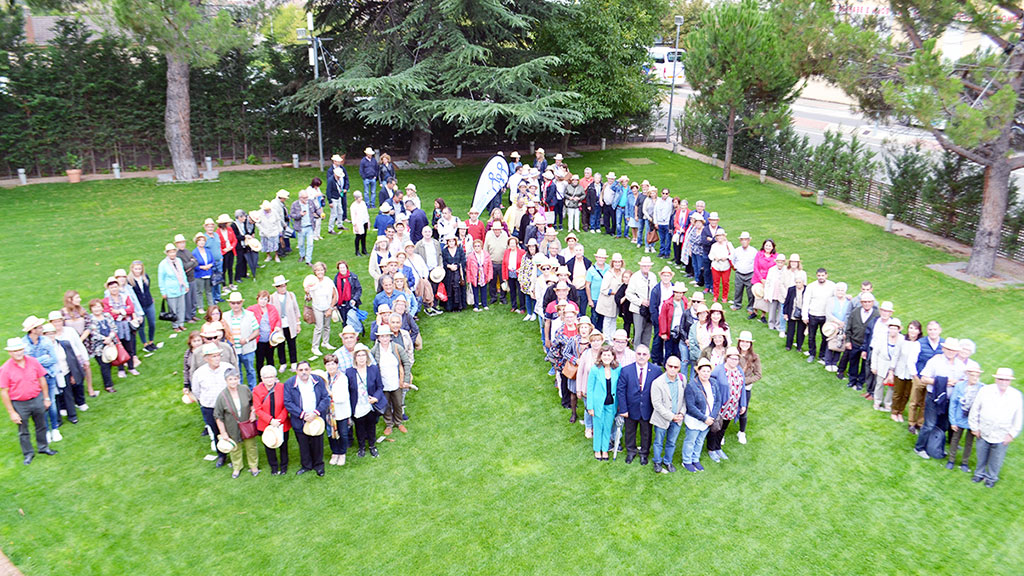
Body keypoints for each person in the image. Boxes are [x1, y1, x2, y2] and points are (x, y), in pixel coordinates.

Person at [1, 338, 57, 465]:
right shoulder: (5, 369)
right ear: (10, 352)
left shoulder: (33, 362)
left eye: (20, 349)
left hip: (37, 398)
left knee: (41, 425)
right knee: (23, 430)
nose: (18, 352)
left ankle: (43, 447)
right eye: (15, 351)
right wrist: (11, 412)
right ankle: (28, 453)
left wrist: (46, 398)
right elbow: (4, 391)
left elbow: (42, 379)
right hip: (20, 404)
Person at [969, 367, 1022, 488]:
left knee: (997, 458)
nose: (1003, 382)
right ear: (996, 379)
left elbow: (1018, 417)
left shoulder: (1016, 395)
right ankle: (979, 473)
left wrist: (1012, 434)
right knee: (981, 454)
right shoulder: (985, 390)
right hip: (983, 430)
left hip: (1002, 434)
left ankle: (991, 477)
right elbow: (975, 409)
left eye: (1006, 380)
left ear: (1010, 381)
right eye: (1001, 379)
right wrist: (974, 427)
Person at [915, 338, 964, 459]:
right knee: (929, 424)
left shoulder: (961, 365)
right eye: (948, 349)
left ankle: (935, 447)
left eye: (953, 350)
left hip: (950, 400)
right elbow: (924, 378)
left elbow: (963, 382)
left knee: (942, 426)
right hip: (934, 398)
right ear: (943, 349)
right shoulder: (935, 361)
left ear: (957, 351)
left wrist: (956, 382)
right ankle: (919, 447)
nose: (950, 352)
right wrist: (943, 382)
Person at [283, 361, 330, 476]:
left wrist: (315, 413)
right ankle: (306, 465)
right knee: (303, 444)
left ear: (310, 370)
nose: (304, 372)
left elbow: (325, 398)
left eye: (306, 369)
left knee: (317, 443)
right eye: (301, 370)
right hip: (300, 419)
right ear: (296, 371)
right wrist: (303, 414)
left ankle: (319, 465)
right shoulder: (290, 383)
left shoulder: (318, 381)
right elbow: (288, 402)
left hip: (316, 418)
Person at [616, 345, 661, 465]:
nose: (641, 357)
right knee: (630, 431)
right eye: (639, 354)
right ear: (635, 355)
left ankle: (644, 454)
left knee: (646, 432)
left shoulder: (656, 371)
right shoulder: (626, 370)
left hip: (648, 408)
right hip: (631, 408)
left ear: (649, 356)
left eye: (644, 354)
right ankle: (631, 451)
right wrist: (623, 409)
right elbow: (621, 390)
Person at [214, 368, 259, 478]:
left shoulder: (244, 389)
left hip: (247, 424)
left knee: (251, 446)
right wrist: (223, 432)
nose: (233, 381)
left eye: (235, 378)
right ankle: (237, 467)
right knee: (235, 448)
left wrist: (253, 412)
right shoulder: (222, 396)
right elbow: (218, 416)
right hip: (231, 427)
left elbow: (253, 402)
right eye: (230, 379)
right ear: (226, 380)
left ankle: (253, 466)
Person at [191, 343, 230, 466]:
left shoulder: (227, 368)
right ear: (206, 358)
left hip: (227, 407)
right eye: (214, 356)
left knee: (231, 430)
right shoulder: (199, 373)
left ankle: (235, 455)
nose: (217, 358)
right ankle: (222, 455)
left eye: (218, 355)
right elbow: (196, 391)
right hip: (209, 407)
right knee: (215, 431)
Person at [371, 325, 412, 436]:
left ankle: (399, 422)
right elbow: (371, 367)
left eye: (386, 336)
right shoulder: (375, 350)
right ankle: (389, 424)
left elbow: (406, 363)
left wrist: (406, 379)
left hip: (397, 382)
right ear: (378, 338)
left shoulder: (397, 348)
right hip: (383, 384)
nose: (384, 339)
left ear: (390, 337)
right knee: (386, 404)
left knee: (398, 403)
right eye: (382, 336)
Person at [707, 346, 747, 462]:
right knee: (715, 428)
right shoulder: (719, 370)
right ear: (726, 358)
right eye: (731, 358)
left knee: (724, 428)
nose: (734, 361)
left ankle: (718, 447)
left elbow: (742, 387)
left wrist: (743, 404)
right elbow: (710, 385)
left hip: (733, 406)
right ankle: (711, 449)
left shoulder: (739, 370)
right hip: (720, 406)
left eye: (736, 359)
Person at [347, 344, 386, 457]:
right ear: (355, 357)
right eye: (358, 355)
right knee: (359, 427)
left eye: (363, 355)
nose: (361, 357)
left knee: (371, 426)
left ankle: (372, 446)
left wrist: (376, 398)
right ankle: (361, 447)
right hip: (358, 404)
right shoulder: (349, 372)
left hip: (370, 405)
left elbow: (380, 386)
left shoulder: (373, 369)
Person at [650, 355, 686, 473]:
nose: (672, 369)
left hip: (678, 418)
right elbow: (657, 404)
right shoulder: (657, 383)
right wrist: (671, 416)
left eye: (676, 367)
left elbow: (685, 399)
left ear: (679, 368)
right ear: (665, 366)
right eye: (670, 366)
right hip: (662, 419)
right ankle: (657, 461)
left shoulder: (682, 380)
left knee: (672, 442)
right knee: (658, 442)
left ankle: (668, 461)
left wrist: (681, 413)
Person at [681, 358, 718, 472]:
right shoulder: (691, 385)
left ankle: (695, 459)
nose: (706, 373)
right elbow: (691, 407)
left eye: (708, 371)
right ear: (698, 371)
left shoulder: (714, 383)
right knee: (690, 441)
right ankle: (686, 461)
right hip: (695, 420)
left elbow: (718, 401)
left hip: (709, 419)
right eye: (703, 371)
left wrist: (712, 416)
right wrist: (704, 418)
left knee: (700, 440)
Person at [947, 360, 982, 473]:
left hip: (972, 420)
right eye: (972, 375)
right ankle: (951, 460)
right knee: (955, 439)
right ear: (967, 375)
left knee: (969, 442)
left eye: (977, 376)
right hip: (959, 418)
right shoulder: (959, 386)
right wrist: (953, 421)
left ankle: (964, 462)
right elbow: (953, 403)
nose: (975, 378)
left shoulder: (982, 388)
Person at [586, 345, 620, 460]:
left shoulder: (617, 370)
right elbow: (589, 389)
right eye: (604, 355)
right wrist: (590, 406)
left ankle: (605, 449)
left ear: (613, 357)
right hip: (598, 405)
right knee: (598, 427)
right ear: (600, 356)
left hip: (611, 404)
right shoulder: (595, 369)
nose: (606, 357)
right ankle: (597, 449)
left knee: (607, 427)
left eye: (609, 355)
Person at [253, 366, 289, 474]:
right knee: (269, 445)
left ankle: (284, 466)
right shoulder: (257, 390)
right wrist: (270, 421)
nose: (269, 380)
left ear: (275, 377)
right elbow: (257, 409)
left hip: (281, 423)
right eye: (266, 377)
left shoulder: (282, 387)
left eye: (271, 377)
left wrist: (279, 420)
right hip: (266, 424)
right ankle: (273, 467)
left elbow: (287, 405)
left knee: (283, 445)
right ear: (262, 378)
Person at [102, 276, 139, 378]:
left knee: (129, 346)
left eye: (115, 286)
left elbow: (131, 309)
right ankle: (121, 369)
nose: (114, 289)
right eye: (111, 287)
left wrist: (119, 311)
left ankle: (131, 367)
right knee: (118, 346)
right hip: (115, 326)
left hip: (126, 325)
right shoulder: (105, 301)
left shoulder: (125, 297)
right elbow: (108, 313)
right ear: (108, 289)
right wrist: (124, 311)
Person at [321, 354, 352, 466]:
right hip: (328, 412)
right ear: (325, 366)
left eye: (333, 364)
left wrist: (329, 393)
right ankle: (335, 452)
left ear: (337, 365)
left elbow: (342, 397)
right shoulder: (323, 377)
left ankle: (342, 453)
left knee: (343, 433)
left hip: (341, 410)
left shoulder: (343, 378)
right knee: (330, 433)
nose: (330, 367)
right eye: (328, 364)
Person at [869, 318, 905, 414]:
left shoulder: (902, 339)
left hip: (895, 366)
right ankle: (877, 401)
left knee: (892, 386)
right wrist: (874, 366)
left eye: (895, 328)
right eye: (891, 328)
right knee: (879, 383)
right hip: (882, 364)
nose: (893, 330)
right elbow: (875, 352)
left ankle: (888, 403)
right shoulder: (882, 337)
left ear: (898, 329)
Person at [225, 292, 259, 390]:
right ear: (230, 304)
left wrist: (247, 340)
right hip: (233, 351)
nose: (236, 305)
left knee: (250, 371)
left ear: (242, 303)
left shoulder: (249, 315)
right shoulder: (225, 316)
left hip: (247, 349)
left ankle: (253, 391)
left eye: (238, 303)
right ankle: (239, 391)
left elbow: (256, 331)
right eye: (233, 303)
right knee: (236, 373)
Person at [802, 268, 836, 364]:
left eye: (823, 275)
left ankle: (822, 354)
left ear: (826, 275)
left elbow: (837, 298)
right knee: (811, 336)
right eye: (819, 275)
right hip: (813, 314)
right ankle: (812, 353)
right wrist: (805, 315)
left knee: (825, 336)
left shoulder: (832, 286)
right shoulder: (811, 286)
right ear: (817, 276)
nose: (821, 277)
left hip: (826, 316)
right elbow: (806, 301)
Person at [84, 299, 118, 393]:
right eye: (94, 307)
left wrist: (110, 338)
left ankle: (108, 381)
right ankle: (108, 385)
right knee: (104, 364)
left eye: (99, 306)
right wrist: (105, 339)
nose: (97, 309)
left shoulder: (107, 315)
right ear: (91, 309)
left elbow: (114, 327)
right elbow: (92, 333)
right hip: (98, 347)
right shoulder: (90, 319)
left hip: (111, 343)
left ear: (102, 307)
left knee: (109, 363)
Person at [306, 262, 338, 357]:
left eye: (321, 270)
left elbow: (334, 295)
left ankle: (325, 342)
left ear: (324, 270)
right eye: (317, 270)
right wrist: (307, 293)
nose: (320, 272)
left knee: (327, 326)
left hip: (327, 306)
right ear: (315, 272)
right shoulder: (312, 282)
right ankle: (315, 347)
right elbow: (308, 298)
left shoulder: (328, 281)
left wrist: (331, 308)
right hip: (317, 307)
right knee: (319, 327)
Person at [126, 260, 158, 353]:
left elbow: (147, 289)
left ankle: (151, 341)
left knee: (152, 323)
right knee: (141, 326)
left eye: (139, 269)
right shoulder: (130, 281)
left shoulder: (145, 277)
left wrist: (150, 298)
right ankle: (145, 344)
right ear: (132, 269)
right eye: (136, 269)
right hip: (139, 306)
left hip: (149, 303)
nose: (138, 271)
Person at [735, 331, 761, 445]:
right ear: (739, 342)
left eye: (747, 342)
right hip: (733, 386)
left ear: (750, 344)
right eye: (742, 341)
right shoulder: (733, 353)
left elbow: (758, 375)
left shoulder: (755, 357)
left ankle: (742, 432)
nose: (744, 344)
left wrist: (744, 381)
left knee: (743, 409)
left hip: (745, 388)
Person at [271, 276, 301, 372]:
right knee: (280, 345)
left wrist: (298, 324)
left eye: (284, 286)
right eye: (280, 286)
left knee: (292, 344)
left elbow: (296, 310)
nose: (283, 288)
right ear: (276, 287)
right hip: (279, 326)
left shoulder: (291, 295)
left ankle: (293, 363)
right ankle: (282, 363)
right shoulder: (272, 298)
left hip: (290, 324)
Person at [158, 243, 190, 332]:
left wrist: (186, 284)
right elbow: (161, 279)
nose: (172, 254)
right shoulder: (163, 264)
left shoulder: (178, 261)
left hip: (180, 288)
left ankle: (181, 323)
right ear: (167, 253)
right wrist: (163, 292)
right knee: (173, 309)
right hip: (170, 290)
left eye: (173, 252)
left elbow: (183, 273)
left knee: (181, 307)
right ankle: (175, 325)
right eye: (170, 252)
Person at [625, 256, 655, 349]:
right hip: (638, 309)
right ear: (640, 266)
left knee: (648, 332)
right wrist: (641, 302)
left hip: (650, 310)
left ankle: (645, 352)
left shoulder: (653, 276)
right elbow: (628, 294)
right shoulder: (635, 277)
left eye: (648, 265)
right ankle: (636, 353)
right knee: (638, 333)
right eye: (644, 265)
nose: (646, 267)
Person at [248, 290, 281, 374]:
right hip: (259, 340)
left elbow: (278, 319)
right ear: (257, 299)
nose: (263, 301)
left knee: (270, 359)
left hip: (270, 340)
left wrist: (277, 326)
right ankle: (261, 379)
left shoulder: (272, 308)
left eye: (265, 299)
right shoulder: (252, 309)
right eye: (261, 299)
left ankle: (272, 376)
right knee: (260, 360)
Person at [822, 282, 852, 372]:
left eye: (842, 290)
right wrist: (838, 322)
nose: (840, 292)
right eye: (838, 290)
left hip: (843, 326)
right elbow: (828, 313)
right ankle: (828, 362)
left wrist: (844, 323)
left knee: (840, 343)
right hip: (832, 325)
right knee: (831, 343)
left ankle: (835, 362)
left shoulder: (849, 301)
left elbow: (850, 314)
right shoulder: (831, 300)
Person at [290, 189, 323, 266]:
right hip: (301, 228)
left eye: (307, 197)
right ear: (300, 198)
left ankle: (308, 260)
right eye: (304, 198)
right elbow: (292, 215)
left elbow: (316, 210)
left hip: (310, 227)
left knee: (310, 244)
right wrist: (300, 215)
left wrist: (320, 214)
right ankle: (302, 255)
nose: (306, 199)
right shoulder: (295, 204)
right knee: (301, 244)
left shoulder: (310, 202)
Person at [730, 232, 756, 313]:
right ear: (740, 241)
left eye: (746, 240)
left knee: (750, 292)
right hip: (739, 273)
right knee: (738, 290)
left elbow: (756, 263)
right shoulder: (737, 250)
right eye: (742, 240)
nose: (744, 241)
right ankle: (737, 304)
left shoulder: (753, 251)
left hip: (750, 273)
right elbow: (732, 260)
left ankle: (751, 307)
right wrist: (735, 268)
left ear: (749, 240)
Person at [441, 234, 467, 312]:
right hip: (448, 274)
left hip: (458, 273)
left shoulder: (459, 249)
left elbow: (463, 260)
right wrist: (449, 266)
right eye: (450, 241)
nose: (451, 243)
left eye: (453, 241)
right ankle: (450, 306)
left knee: (458, 289)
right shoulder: (445, 251)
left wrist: (457, 266)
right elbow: (443, 261)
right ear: (447, 242)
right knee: (449, 289)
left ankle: (458, 306)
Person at [783, 271, 807, 352]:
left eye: (799, 282)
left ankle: (799, 346)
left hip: (802, 314)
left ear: (803, 282)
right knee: (790, 330)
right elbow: (787, 301)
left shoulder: (807, 290)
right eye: (796, 282)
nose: (798, 284)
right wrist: (785, 313)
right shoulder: (791, 289)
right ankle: (788, 345)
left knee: (801, 331)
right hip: (792, 312)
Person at [466, 238, 492, 312]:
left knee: (484, 290)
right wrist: (468, 279)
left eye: (478, 246)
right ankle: (476, 305)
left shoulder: (486, 254)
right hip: (474, 275)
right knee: (475, 291)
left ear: (481, 246)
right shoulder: (470, 256)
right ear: (473, 247)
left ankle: (484, 304)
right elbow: (468, 268)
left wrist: (489, 276)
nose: (477, 247)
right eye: (475, 246)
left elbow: (490, 266)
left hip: (484, 275)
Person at [325, 156, 349, 230]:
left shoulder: (340, 172)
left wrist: (345, 188)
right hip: (333, 198)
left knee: (340, 212)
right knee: (333, 214)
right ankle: (330, 228)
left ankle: (340, 224)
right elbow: (328, 191)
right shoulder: (331, 180)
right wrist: (330, 201)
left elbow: (346, 179)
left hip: (338, 196)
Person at [350, 191, 370, 256]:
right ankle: (357, 251)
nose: (361, 198)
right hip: (358, 223)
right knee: (358, 237)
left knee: (364, 236)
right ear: (356, 198)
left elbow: (366, 213)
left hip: (364, 221)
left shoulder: (363, 203)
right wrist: (355, 225)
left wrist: (368, 221)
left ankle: (364, 250)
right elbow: (353, 216)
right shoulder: (353, 206)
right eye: (360, 197)